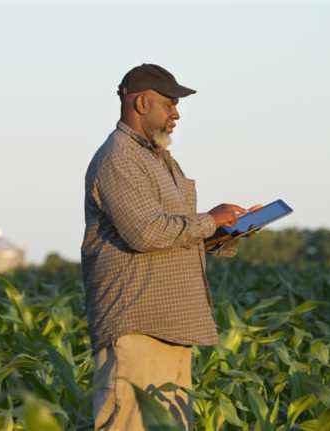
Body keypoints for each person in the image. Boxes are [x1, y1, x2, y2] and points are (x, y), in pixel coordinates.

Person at [81, 63, 262, 430]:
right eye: (170, 104)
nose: (176, 113)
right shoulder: (119, 158)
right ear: (142, 103)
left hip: (171, 326)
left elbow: (174, 234)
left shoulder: (158, 158)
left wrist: (226, 231)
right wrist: (210, 219)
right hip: (137, 326)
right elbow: (145, 233)